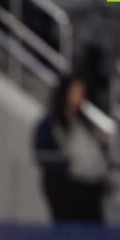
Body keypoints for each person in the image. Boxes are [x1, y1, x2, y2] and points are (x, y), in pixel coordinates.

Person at [33, 75, 108, 223]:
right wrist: (65, 163)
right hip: (65, 187)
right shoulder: (50, 125)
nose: (80, 96)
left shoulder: (85, 124)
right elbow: (42, 154)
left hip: (91, 186)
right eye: (76, 91)